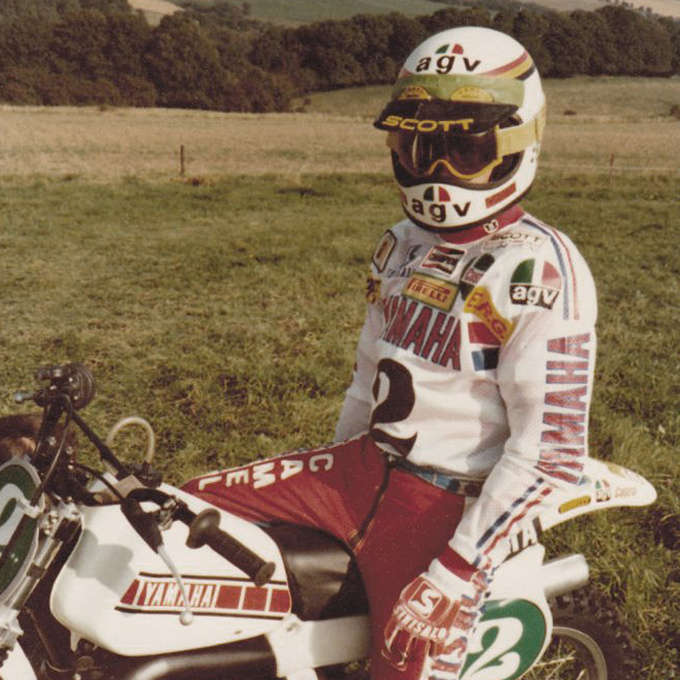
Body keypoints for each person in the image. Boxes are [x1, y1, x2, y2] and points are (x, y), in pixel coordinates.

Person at [182, 25, 597, 680]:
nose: (437, 170)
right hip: (363, 468)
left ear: (519, 140)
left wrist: (456, 573)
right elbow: (366, 374)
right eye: (418, 146)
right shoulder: (400, 242)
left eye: (464, 148)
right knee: (176, 511)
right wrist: (331, 472)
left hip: (445, 505)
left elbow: (551, 455)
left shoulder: (539, 268)